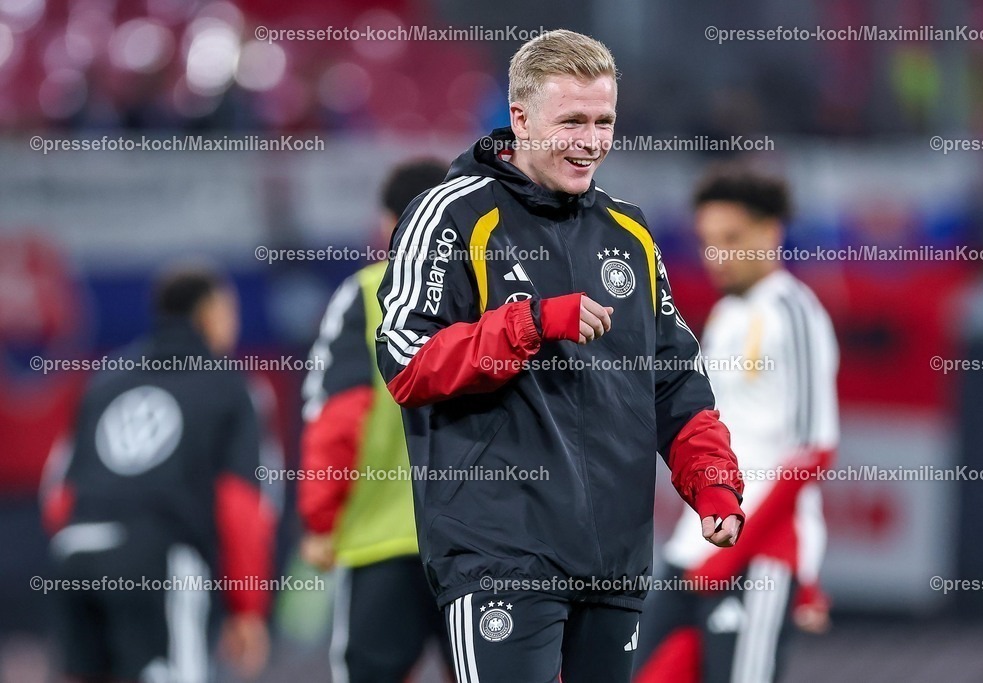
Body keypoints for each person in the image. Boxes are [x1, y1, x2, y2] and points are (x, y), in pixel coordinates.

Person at [374, 30, 747, 683]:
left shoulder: (629, 233)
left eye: (603, 121)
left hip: (615, 564)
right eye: (571, 119)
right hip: (499, 555)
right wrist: (533, 322)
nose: (591, 139)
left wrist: (712, 482)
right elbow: (408, 360)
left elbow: (675, 381)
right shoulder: (452, 216)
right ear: (520, 119)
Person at [633, 166, 839, 683]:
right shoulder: (727, 315)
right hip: (695, 546)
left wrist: (733, 558)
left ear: (771, 233)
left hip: (760, 554)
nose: (715, 256)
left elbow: (813, 450)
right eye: (707, 241)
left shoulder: (794, 313)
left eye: (731, 239)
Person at [40, 265, 278, 682]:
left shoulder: (105, 381)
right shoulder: (231, 387)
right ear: (210, 314)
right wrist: (247, 609)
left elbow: (59, 494)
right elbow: (240, 504)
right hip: (159, 563)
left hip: (75, 555)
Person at [298, 159, 455, 683]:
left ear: (388, 222)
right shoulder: (495, 297)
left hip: (381, 543)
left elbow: (338, 419)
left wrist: (321, 518)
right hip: (481, 546)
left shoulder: (367, 295)